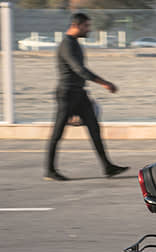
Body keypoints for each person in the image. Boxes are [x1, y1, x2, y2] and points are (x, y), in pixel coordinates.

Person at [44, 12, 128, 181]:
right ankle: (50, 171)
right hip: (67, 94)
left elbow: (80, 71)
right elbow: (79, 69)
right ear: (77, 25)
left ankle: (108, 167)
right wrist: (105, 83)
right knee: (57, 133)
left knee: (95, 129)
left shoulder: (75, 43)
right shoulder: (67, 44)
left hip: (79, 93)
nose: (89, 29)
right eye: (86, 26)